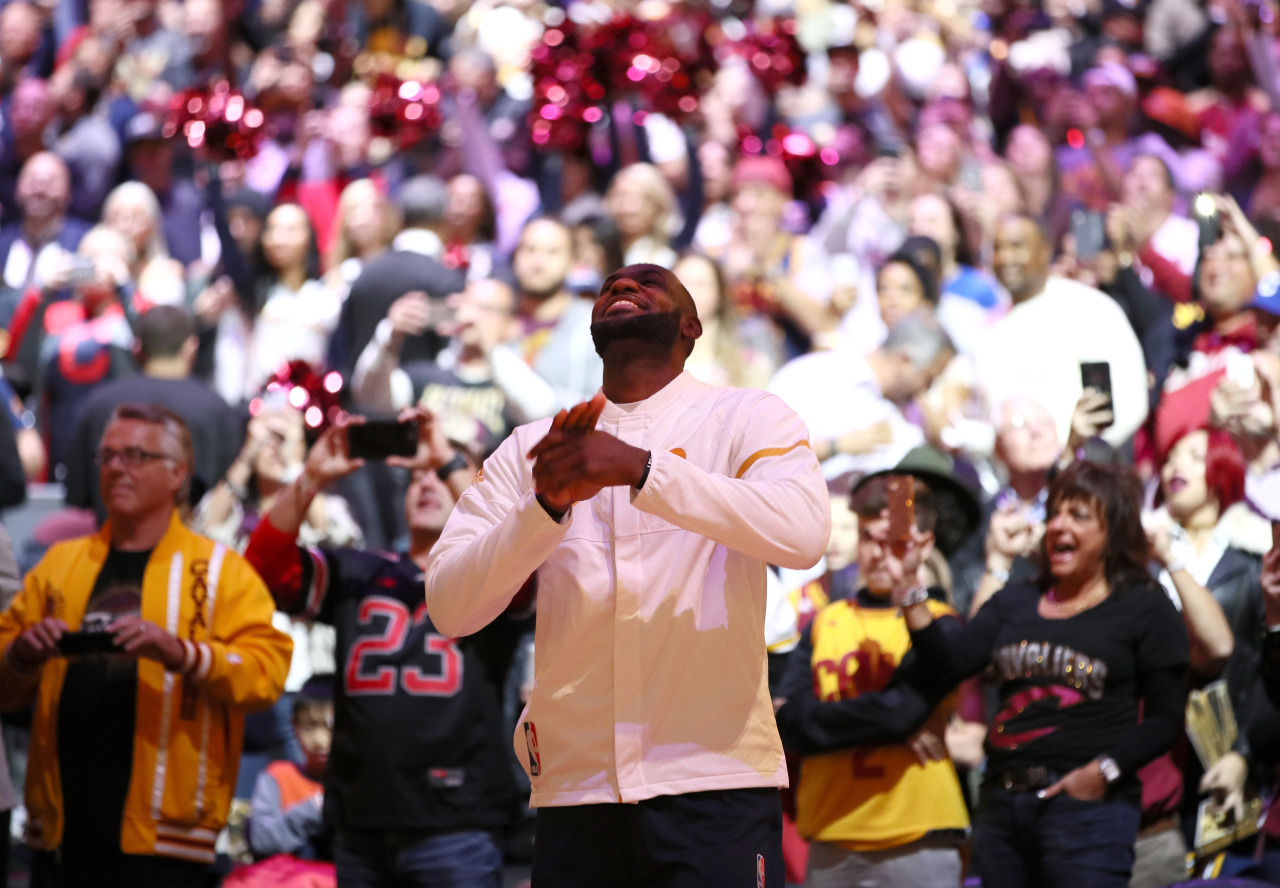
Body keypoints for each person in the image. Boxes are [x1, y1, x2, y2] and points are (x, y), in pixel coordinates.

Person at [425, 263, 830, 886]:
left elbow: (803, 533)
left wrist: (644, 471)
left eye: (647, 281)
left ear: (691, 324)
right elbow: (450, 606)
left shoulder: (749, 416)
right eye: (611, 284)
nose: (622, 286)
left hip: (713, 781)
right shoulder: (532, 448)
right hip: (575, 790)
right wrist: (545, 508)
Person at [0, 403, 292, 887]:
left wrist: (178, 652)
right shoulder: (60, 564)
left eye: (136, 455)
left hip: (169, 843)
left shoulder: (220, 571)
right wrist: (24, 654)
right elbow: (7, 686)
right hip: (60, 836)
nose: (116, 467)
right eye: (108, 455)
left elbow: (266, 673)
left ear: (178, 473)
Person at [245, 406, 522, 887]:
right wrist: (310, 477)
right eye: (417, 477)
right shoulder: (361, 569)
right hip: (361, 819)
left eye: (443, 474)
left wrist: (450, 464)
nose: (428, 484)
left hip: (455, 822)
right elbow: (264, 566)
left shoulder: (494, 576)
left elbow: (521, 549)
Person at [900, 460, 1190, 886]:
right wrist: (910, 588)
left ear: (1113, 533)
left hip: (1088, 813)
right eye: (1053, 513)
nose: (1058, 526)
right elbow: (950, 663)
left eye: (1079, 515)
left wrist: (1102, 773)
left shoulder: (1144, 605)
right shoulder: (1016, 600)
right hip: (1002, 806)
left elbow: (1166, 718)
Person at [785, 475, 970, 888]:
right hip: (831, 837)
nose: (879, 553)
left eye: (893, 540)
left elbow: (901, 712)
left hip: (919, 836)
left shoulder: (941, 622)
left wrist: (830, 721)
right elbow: (788, 724)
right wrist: (894, 726)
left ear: (922, 543)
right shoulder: (823, 623)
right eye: (869, 537)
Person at [972, 213, 1150, 449]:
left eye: (1016, 246)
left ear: (1045, 250)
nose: (1005, 257)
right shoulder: (988, 325)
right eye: (997, 248)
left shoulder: (1087, 307)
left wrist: (1078, 456)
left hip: (1081, 469)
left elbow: (1129, 401)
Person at [66, 304, 242, 523]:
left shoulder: (101, 403)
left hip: (116, 547)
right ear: (191, 346)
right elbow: (232, 488)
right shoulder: (216, 408)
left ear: (137, 349)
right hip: (194, 550)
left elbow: (77, 492)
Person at [768, 313, 955, 483]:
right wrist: (837, 447)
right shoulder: (815, 376)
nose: (925, 389)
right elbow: (767, 459)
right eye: (928, 378)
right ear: (904, 361)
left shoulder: (892, 407)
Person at [247, 674, 334, 861]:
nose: (319, 740)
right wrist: (315, 808)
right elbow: (260, 840)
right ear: (294, 725)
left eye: (330, 728)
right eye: (309, 727)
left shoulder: (361, 783)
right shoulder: (278, 776)